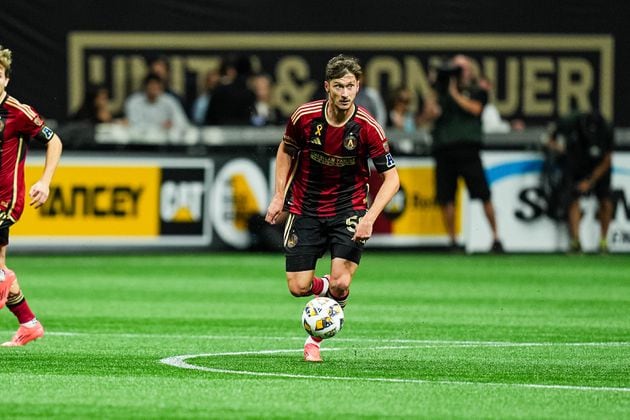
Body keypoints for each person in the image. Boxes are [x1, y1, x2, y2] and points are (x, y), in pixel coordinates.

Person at [265, 54, 400, 362]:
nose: (344, 93)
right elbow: (286, 151)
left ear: (357, 87)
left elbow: (392, 179)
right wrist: (278, 196)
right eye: (338, 86)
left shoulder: (368, 128)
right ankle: (324, 286)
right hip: (305, 206)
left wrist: (369, 217)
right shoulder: (304, 117)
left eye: (350, 86)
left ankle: (314, 340)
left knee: (341, 282)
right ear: (327, 86)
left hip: (348, 208)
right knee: (298, 287)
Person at [0, 45, 63, 346]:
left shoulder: (19, 113)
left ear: (6, 79)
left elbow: (55, 142)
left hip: (6, 200)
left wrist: (45, 181)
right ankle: (29, 322)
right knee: (0, 270)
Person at [420, 54, 503, 252]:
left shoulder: (477, 90)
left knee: (484, 194)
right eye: (456, 68)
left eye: (463, 68)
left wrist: (454, 93)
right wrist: (435, 90)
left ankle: (496, 238)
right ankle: (453, 241)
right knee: (447, 197)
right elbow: (425, 117)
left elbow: (475, 110)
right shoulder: (439, 93)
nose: (460, 72)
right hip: (444, 149)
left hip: (468, 149)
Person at [546, 110, 614, 253]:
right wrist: (561, 150)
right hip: (576, 165)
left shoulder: (607, 129)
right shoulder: (570, 122)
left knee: (606, 202)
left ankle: (603, 242)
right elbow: (549, 139)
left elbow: (607, 160)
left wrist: (590, 181)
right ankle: (576, 242)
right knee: (573, 200)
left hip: (598, 167)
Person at [124, 72, 190, 142]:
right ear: (145, 86)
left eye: (157, 85)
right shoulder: (134, 101)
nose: (154, 88)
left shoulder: (169, 101)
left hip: (165, 142)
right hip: (139, 142)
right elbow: (132, 124)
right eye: (151, 85)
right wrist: (158, 128)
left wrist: (173, 125)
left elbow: (182, 122)